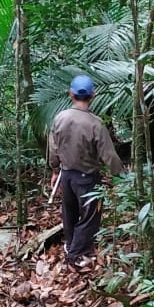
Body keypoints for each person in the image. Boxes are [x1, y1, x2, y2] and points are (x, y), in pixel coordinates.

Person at [48, 74, 125, 270]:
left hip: (66, 175)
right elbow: (109, 155)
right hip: (87, 178)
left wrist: (55, 170)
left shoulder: (59, 118)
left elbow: (53, 148)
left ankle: (70, 245)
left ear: (70, 94)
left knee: (70, 212)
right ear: (93, 95)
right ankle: (76, 254)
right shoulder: (95, 123)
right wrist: (123, 177)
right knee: (90, 216)